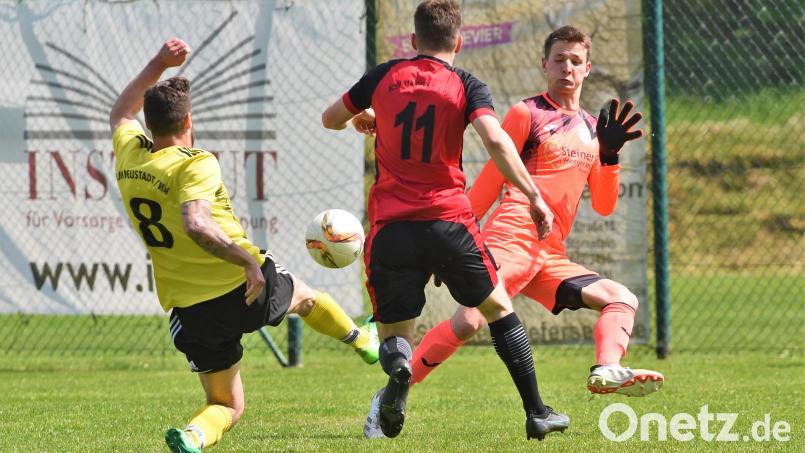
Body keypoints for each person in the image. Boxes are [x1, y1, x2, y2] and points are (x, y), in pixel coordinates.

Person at [110, 38, 379, 453]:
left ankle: (194, 435)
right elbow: (197, 224)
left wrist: (158, 63)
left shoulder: (130, 157)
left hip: (190, 307)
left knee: (227, 404)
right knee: (305, 297)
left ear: (150, 123)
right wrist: (247, 263)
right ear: (188, 122)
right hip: (241, 285)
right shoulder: (195, 161)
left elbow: (120, 111)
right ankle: (363, 342)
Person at [322, 0, 569, 441]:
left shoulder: (383, 76)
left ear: (413, 41)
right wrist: (533, 195)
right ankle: (536, 412)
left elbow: (330, 119)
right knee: (498, 310)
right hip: (449, 222)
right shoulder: (465, 83)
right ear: (458, 41)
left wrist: (364, 114)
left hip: (392, 226)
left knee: (397, 332)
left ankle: (400, 372)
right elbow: (494, 139)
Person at [397, 25, 665, 401]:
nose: (567, 68)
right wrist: (451, 243)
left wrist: (609, 155)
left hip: (548, 254)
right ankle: (396, 389)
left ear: (588, 69)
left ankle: (606, 369)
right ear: (544, 65)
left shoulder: (592, 129)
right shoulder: (527, 113)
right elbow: (488, 187)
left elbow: (604, 206)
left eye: (576, 61)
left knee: (621, 298)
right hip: (512, 238)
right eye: (559, 60)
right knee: (471, 320)